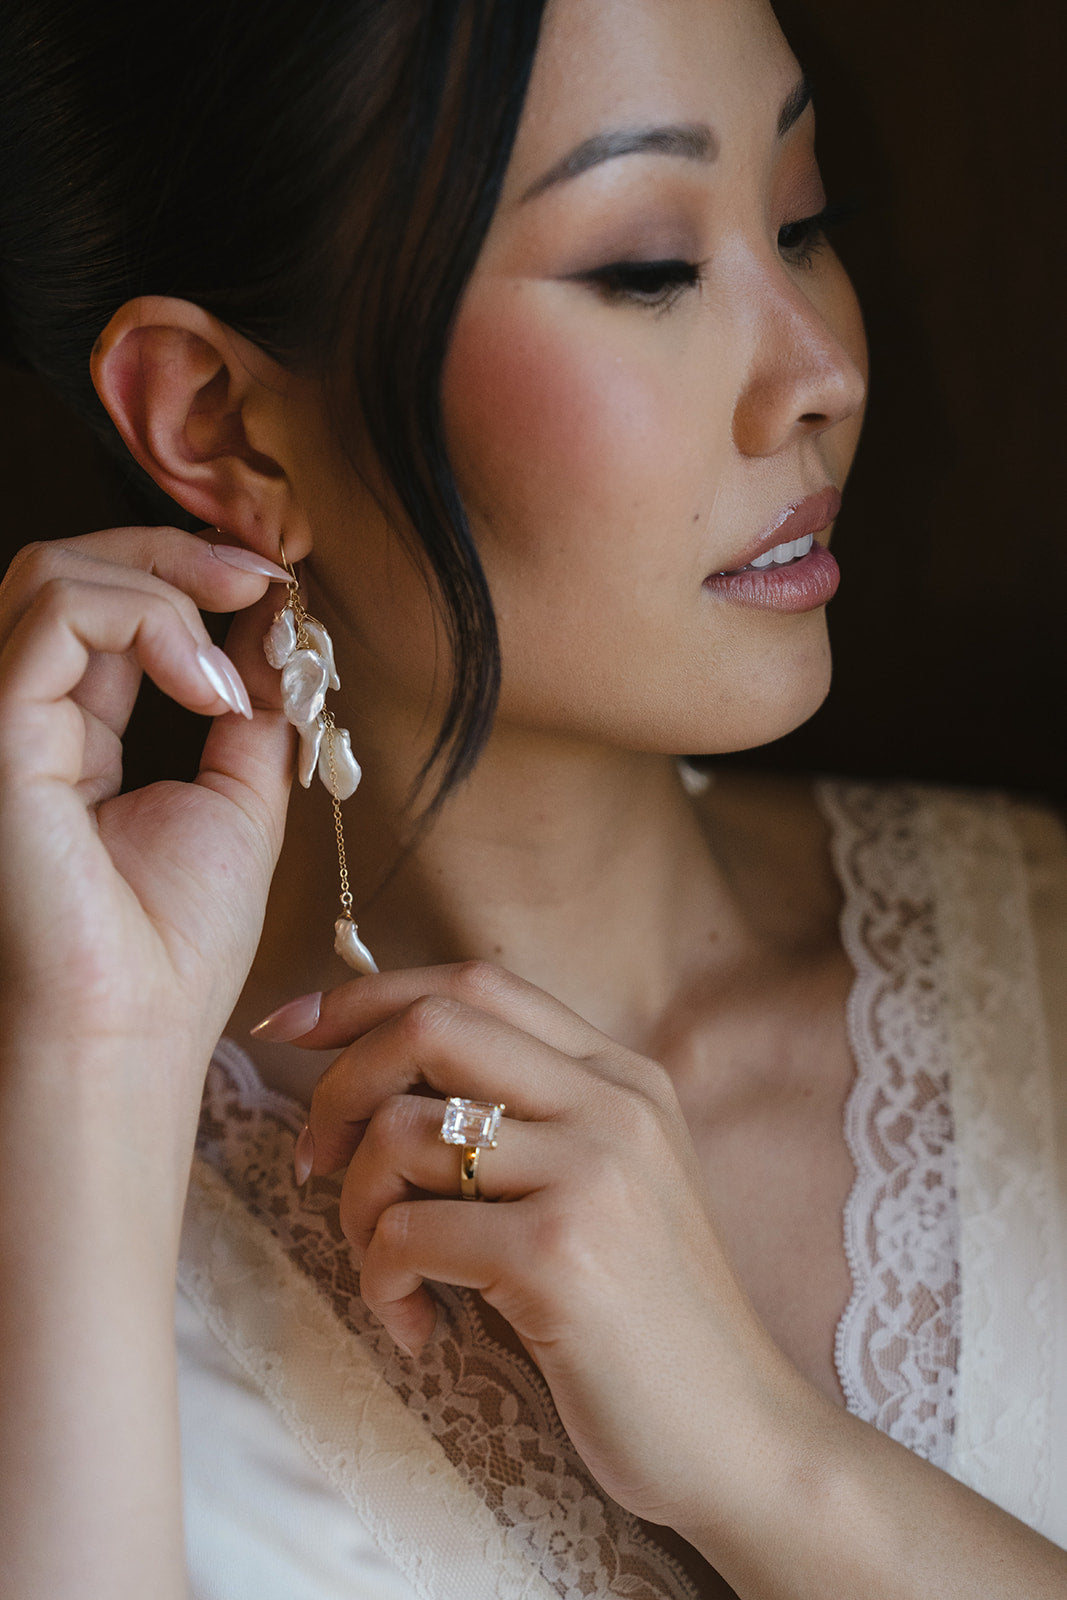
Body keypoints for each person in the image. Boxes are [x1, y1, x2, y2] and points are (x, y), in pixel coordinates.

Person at [0, 0, 1065, 1596]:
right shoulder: (69, 1160)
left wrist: (767, 1461)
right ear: (220, 422)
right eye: (650, 266)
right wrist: (95, 1069)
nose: (822, 372)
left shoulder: (1036, 978)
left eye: (802, 218)